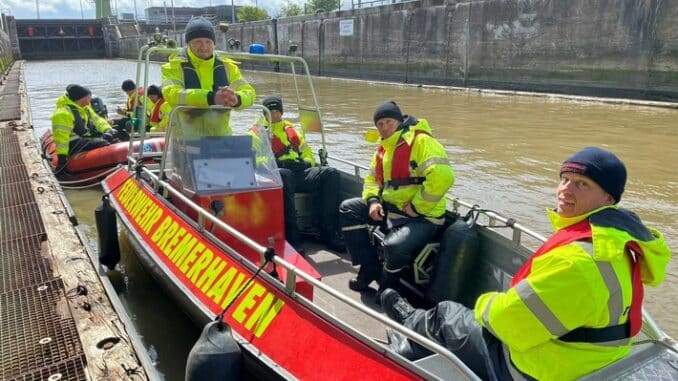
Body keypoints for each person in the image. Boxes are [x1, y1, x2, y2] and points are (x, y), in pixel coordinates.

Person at [381, 147, 671, 381]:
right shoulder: (618, 245)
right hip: (590, 359)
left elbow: (507, 325)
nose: (566, 190)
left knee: (447, 314)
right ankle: (414, 330)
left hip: (535, 370)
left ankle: (406, 331)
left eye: (582, 184)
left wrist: (485, 303)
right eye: (564, 179)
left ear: (608, 198)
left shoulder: (579, 261)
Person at [339, 100, 455, 298]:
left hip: (424, 217)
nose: (384, 128)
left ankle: (388, 287)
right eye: (379, 124)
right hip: (391, 209)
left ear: (400, 121)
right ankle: (369, 269)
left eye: (388, 122)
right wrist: (373, 201)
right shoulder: (383, 148)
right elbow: (371, 179)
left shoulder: (421, 142)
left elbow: (443, 177)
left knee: (394, 246)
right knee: (348, 209)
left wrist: (418, 206)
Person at [255, 95, 344, 251]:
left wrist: (304, 163)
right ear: (265, 114)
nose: (275, 115)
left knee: (330, 173)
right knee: (285, 174)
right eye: (270, 112)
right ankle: (292, 237)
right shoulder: (257, 133)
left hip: (299, 173)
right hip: (276, 175)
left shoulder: (292, 131)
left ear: (281, 112)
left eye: (277, 111)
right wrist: (277, 163)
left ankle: (328, 232)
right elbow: (254, 159)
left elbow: (307, 153)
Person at [161, 16, 255, 136]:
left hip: (221, 140)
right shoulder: (172, 68)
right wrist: (211, 98)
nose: (204, 47)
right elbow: (172, 95)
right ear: (188, 44)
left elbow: (250, 94)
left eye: (208, 42)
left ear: (214, 43)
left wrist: (236, 99)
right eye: (197, 42)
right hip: (185, 141)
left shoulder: (228, 67)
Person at [51, 84, 116, 173]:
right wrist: (62, 159)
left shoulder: (85, 109)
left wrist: (107, 130)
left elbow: (98, 121)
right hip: (73, 143)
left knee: (115, 136)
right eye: (89, 96)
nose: (91, 99)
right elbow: (61, 139)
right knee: (102, 142)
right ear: (83, 98)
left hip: (85, 138)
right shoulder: (62, 114)